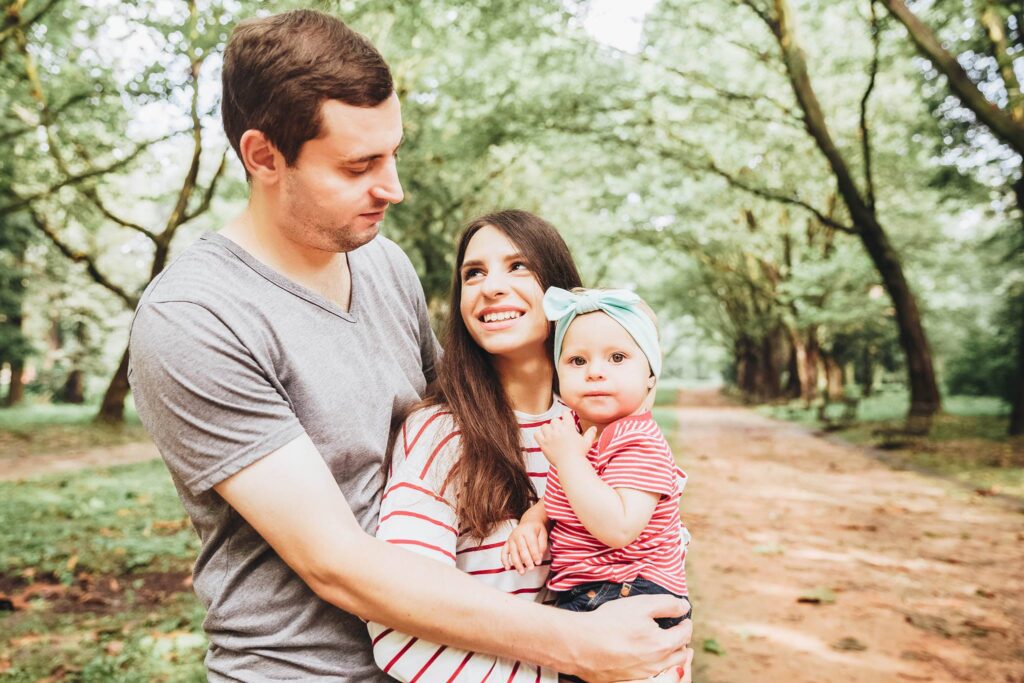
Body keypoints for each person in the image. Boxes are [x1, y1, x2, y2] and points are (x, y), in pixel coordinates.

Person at [127, 9, 691, 681]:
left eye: (392, 152)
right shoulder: (197, 318)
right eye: (360, 164)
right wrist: (575, 644)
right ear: (263, 156)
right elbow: (335, 562)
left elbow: (471, 428)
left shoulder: (381, 262)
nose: (392, 186)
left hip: (469, 654)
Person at [369, 212, 693, 682]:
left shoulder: (606, 430)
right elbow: (400, 627)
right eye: (473, 273)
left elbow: (660, 583)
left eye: (518, 266)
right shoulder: (441, 432)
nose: (491, 286)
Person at [502, 288, 690, 636]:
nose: (595, 372)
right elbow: (568, 497)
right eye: (578, 361)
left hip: (630, 593)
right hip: (592, 593)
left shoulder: (638, 439)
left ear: (650, 373)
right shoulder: (577, 430)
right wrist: (534, 520)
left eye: (617, 358)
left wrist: (570, 460)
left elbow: (618, 527)